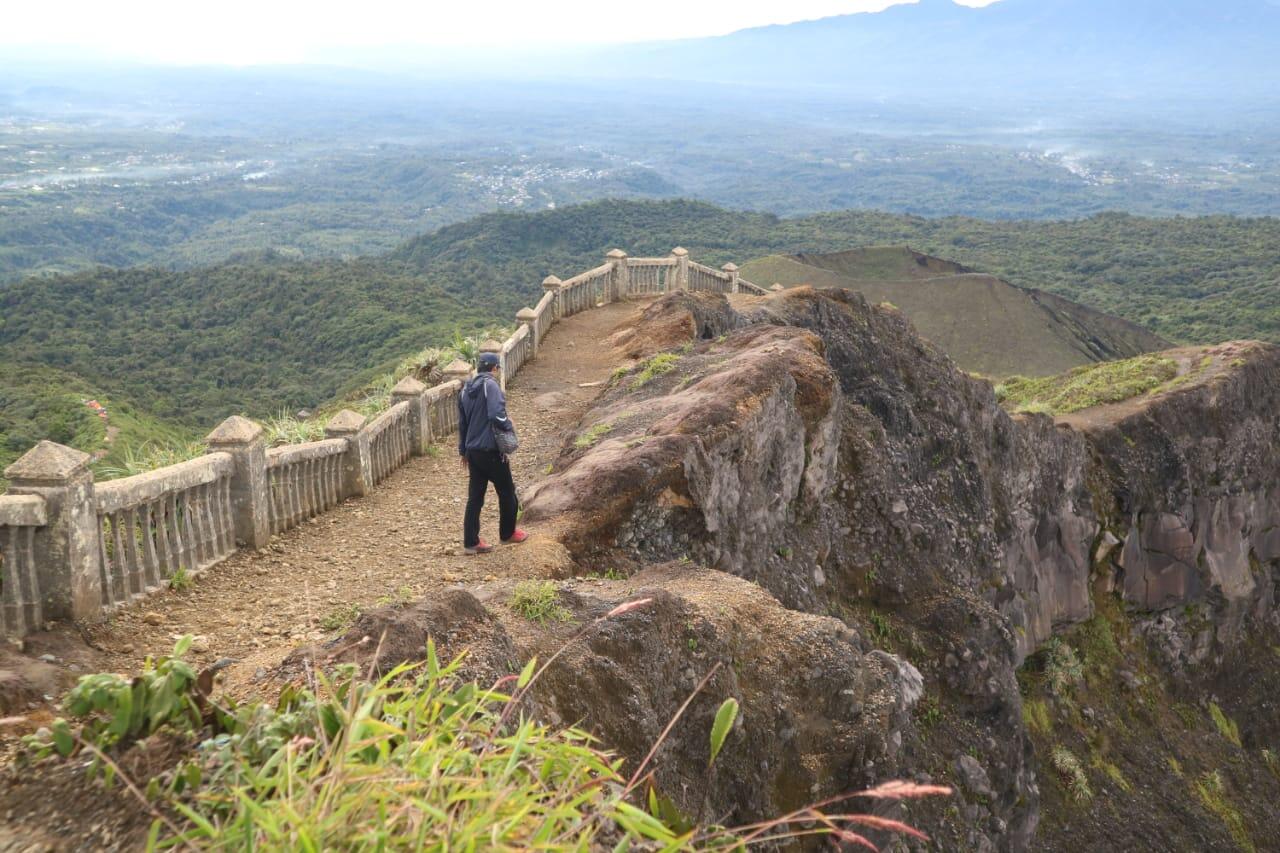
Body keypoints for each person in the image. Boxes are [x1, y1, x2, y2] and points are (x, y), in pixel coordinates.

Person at [457, 352, 527, 554]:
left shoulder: (465, 390)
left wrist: (463, 451)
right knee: (507, 491)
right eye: (498, 369)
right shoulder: (491, 386)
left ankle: (471, 542)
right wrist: (509, 424)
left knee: (475, 497)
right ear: (494, 368)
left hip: (473, 452)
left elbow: (462, 425)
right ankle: (508, 533)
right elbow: (496, 415)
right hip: (491, 450)